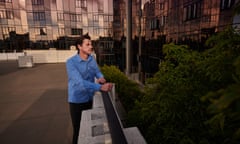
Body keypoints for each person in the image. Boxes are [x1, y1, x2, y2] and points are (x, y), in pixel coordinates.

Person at [66, 33, 112, 144]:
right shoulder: (70, 62)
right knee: (78, 132)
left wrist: (101, 78)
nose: (91, 46)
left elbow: (97, 72)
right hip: (77, 101)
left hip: (89, 99)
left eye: (91, 44)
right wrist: (100, 87)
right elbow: (80, 83)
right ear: (79, 46)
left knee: (89, 128)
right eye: (87, 44)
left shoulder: (92, 59)